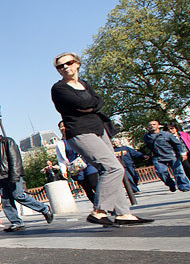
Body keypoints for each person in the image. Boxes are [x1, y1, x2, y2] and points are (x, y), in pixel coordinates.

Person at [50, 52, 151, 226]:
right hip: (80, 132)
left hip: (99, 129)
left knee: (114, 169)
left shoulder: (84, 84)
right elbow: (82, 104)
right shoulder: (59, 88)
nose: (65, 67)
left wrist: (89, 105)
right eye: (60, 66)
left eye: (69, 63)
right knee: (112, 168)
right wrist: (90, 104)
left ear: (77, 64)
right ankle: (99, 211)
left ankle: (123, 213)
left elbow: (98, 102)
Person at [0, 123, 54, 232]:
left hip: (11, 174)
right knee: (6, 201)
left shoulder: (7, 141)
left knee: (19, 196)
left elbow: (15, 158)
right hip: (0, 177)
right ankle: (16, 223)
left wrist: (15, 175)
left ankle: (44, 209)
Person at [56, 121, 99, 203]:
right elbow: (60, 158)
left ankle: (105, 203)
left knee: (94, 184)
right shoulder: (60, 143)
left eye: (65, 126)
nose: (64, 128)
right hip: (75, 167)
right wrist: (63, 170)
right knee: (87, 188)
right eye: (61, 127)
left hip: (87, 162)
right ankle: (97, 205)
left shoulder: (79, 136)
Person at [143, 120, 190, 193]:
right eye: (150, 125)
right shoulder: (146, 137)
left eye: (154, 124)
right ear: (148, 127)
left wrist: (182, 153)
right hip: (157, 157)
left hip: (171, 155)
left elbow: (177, 143)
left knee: (178, 171)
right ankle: (171, 184)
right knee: (161, 172)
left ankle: (184, 186)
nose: (152, 126)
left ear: (158, 126)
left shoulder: (166, 134)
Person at [168, 121, 190, 188]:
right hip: (180, 155)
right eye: (169, 129)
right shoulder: (168, 138)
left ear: (175, 128)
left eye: (172, 128)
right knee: (187, 168)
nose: (170, 130)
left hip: (189, 152)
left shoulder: (183, 134)